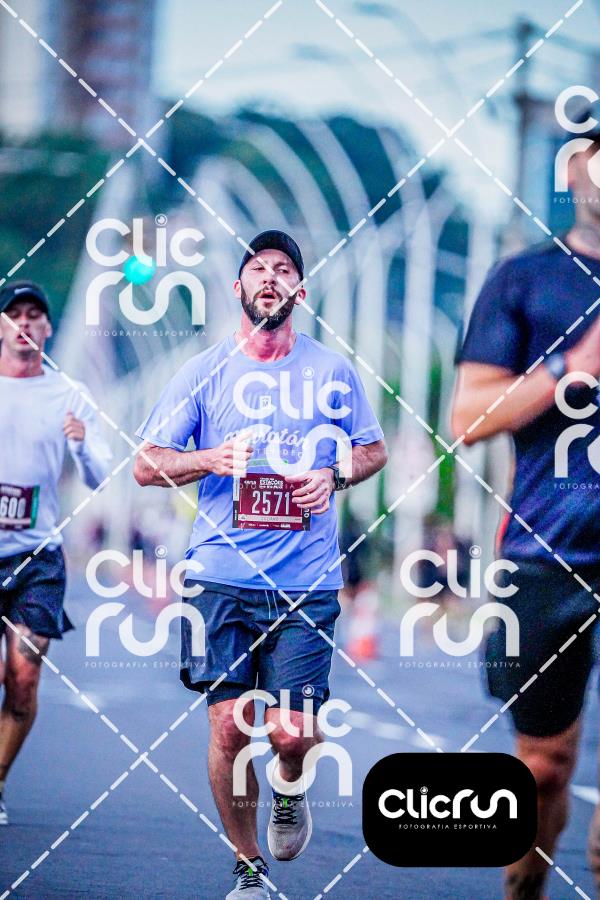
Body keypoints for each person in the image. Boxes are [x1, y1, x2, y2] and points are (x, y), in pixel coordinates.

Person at [134, 230, 387, 899]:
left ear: (300, 290)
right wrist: (210, 459)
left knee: (291, 734)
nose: (270, 277)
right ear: (238, 287)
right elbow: (147, 464)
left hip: (305, 581)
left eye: (283, 269)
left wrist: (334, 474)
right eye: (257, 268)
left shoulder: (331, 372)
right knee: (229, 725)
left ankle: (289, 787)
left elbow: (373, 450)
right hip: (220, 576)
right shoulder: (202, 373)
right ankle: (249, 867)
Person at [452, 124, 600, 899]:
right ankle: (525, 890)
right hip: (550, 550)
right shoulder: (524, 280)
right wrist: (574, 365)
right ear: (573, 171)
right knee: (543, 767)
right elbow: (468, 418)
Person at [0, 281, 112, 825]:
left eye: (34, 315)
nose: (24, 323)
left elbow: (100, 475)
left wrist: (82, 444)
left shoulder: (68, 394)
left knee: (22, 679)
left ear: (48, 328)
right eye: (14, 314)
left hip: (36, 557)